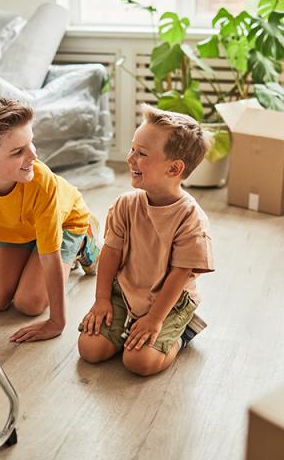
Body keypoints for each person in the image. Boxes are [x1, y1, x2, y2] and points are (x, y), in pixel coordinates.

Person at [0, 94, 100, 342]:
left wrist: (56, 322)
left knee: (31, 303)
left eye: (31, 143)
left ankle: (85, 242)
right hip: (14, 232)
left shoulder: (42, 182)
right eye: (18, 151)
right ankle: (29, 256)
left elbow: (49, 255)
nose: (34, 156)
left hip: (65, 223)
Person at [78, 104, 214, 376]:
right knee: (90, 349)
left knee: (138, 363)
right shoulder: (125, 205)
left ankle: (181, 333)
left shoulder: (191, 220)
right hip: (127, 291)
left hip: (170, 301)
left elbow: (179, 275)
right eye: (132, 148)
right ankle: (128, 329)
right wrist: (102, 299)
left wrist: (154, 319)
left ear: (174, 168)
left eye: (141, 154)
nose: (130, 158)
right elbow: (111, 254)